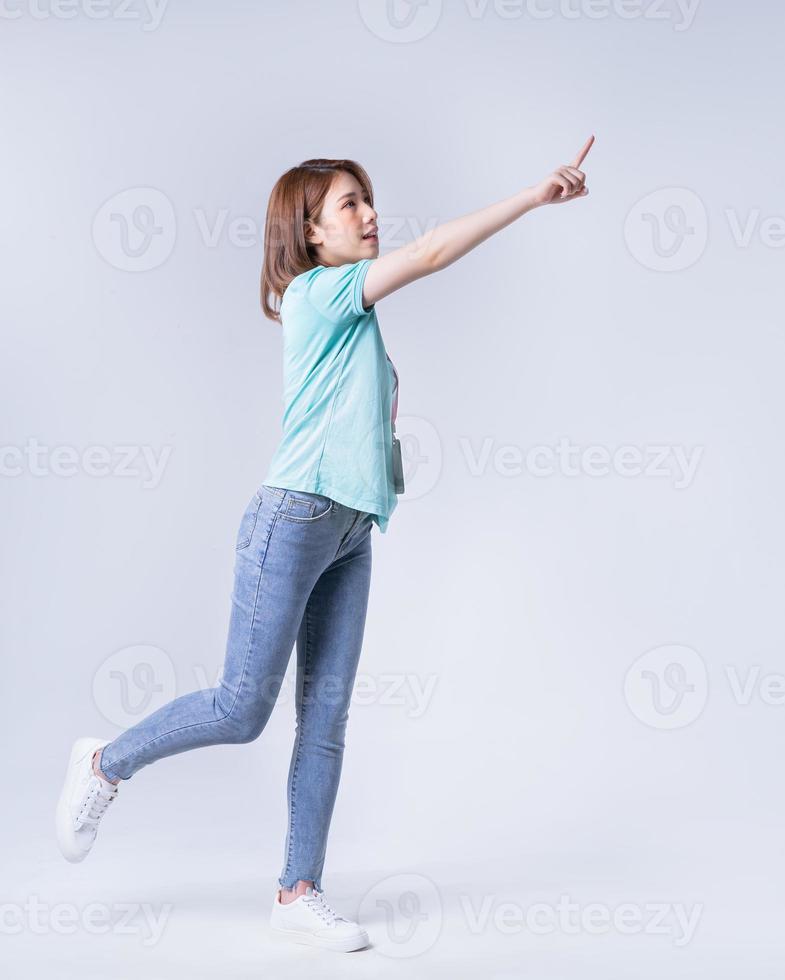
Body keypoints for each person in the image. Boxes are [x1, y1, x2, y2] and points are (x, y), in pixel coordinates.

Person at [54, 136, 594, 953]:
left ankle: (297, 891)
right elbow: (433, 252)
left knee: (327, 717)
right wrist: (530, 198)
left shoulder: (357, 316)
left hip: (347, 531)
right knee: (241, 708)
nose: (370, 214)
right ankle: (103, 765)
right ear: (310, 233)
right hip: (294, 517)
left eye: (367, 198)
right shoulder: (318, 293)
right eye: (351, 204)